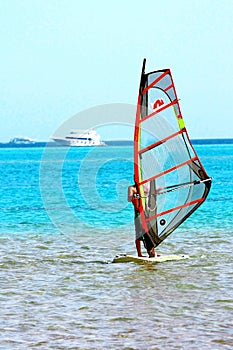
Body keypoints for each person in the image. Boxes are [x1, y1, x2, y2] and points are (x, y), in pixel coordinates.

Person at [128, 184, 155, 258]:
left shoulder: (144, 188)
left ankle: (152, 252)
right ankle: (139, 254)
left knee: (149, 231)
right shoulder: (132, 188)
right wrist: (136, 196)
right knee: (139, 234)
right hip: (138, 213)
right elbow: (129, 199)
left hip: (147, 212)